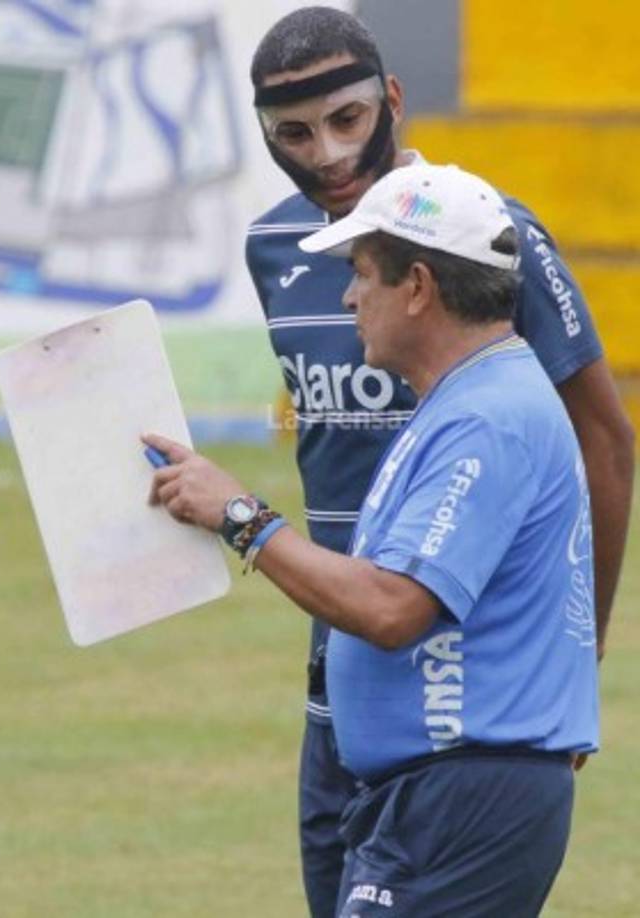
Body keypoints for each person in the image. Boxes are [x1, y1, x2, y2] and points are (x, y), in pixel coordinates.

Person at [240, 7, 634, 917]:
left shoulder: (485, 233)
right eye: (294, 134)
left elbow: (605, 440)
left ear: (393, 100)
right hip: (344, 668)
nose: (329, 154)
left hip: (461, 682)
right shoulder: (275, 249)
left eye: (347, 120)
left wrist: (578, 655)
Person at [143, 161, 600, 917]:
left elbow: (394, 607)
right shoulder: (471, 401)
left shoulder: (486, 418)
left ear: (417, 287)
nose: (350, 296)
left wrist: (243, 518)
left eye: (360, 273)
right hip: (444, 795)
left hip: (458, 802)